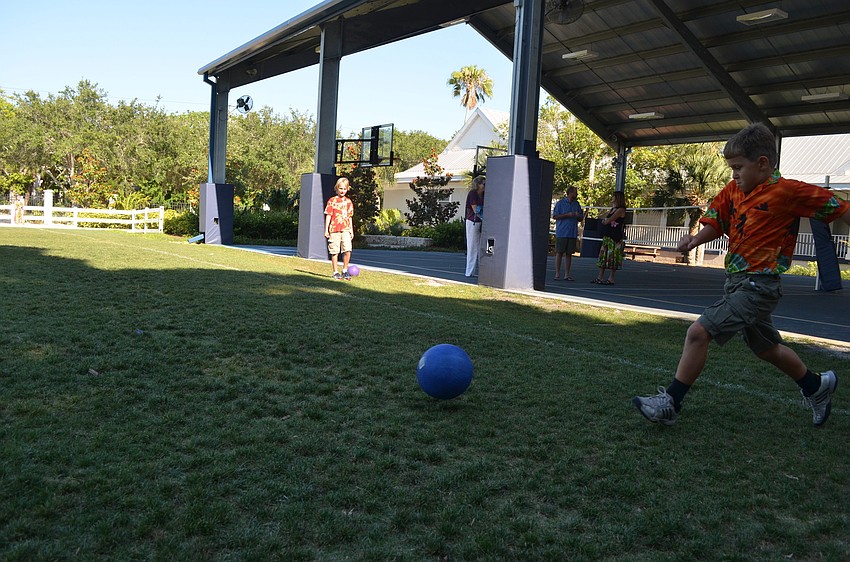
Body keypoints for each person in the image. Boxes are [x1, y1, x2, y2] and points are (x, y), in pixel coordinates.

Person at [633, 122, 850, 427]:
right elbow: (718, 220)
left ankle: (670, 402)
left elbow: (838, 207)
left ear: (762, 164)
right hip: (736, 284)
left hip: (759, 286)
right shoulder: (734, 190)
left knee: (698, 332)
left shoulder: (788, 191)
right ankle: (817, 386)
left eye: (738, 167)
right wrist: (695, 239)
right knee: (767, 348)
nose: (733, 174)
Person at [591, 191, 626, 285]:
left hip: (615, 237)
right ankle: (600, 277)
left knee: (613, 257)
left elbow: (609, 220)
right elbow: (605, 220)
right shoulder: (612, 209)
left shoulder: (621, 210)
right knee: (604, 257)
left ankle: (611, 278)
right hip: (607, 236)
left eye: (613, 196)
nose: (612, 197)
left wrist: (606, 221)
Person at [324, 177, 355, 280]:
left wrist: (351, 230)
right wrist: (326, 229)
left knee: (347, 249)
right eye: (340, 188)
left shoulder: (349, 202)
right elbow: (328, 215)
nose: (342, 191)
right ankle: (335, 271)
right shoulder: (332, 201)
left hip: (345, 229)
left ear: (347, 189)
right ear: (337, 188)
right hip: (334, 229)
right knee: (334, 251)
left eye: (344, 189)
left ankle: (345, 270)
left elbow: (350, 217)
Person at [551, 186, 582, 280]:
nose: (576, 194)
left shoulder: (577, 204)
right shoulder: (560, 203)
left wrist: (578, 216)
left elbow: (581, 217)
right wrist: (567, 215)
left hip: (572, 232)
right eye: (575, 192)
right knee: (559, 252)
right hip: (562, 231)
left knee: (569, 253)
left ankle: (567, 274)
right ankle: (557, 273)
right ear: (570, 193)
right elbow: (555, 216)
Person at [464, 175, 486, 277]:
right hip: (473, 222)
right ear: (478, 184)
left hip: (482, 222)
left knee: (481, 247)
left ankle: (481, 271)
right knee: (472, 246)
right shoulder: (472, 194)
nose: (485, 185)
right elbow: (475, 209)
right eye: (483, 184)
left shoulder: (485, 194)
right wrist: (484, 216)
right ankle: (469, 272)